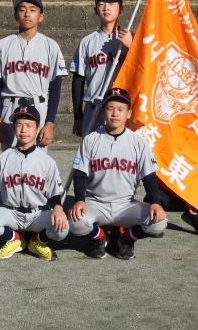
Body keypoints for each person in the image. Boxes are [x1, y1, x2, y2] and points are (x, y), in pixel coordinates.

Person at [68, 87, 167, 260]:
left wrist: (155, 202)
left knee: (159, 223)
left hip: (126, 204)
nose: (115, 113)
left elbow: (149, 177)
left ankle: (126, 239)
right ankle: (99, 237)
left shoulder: (138, 142)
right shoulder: (91, 139)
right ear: (103, 112)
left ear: (128, 114)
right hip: (96, 202)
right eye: (110, 108)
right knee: (74, 222)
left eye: (121, 109)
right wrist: (79, 200)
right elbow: (80, 174)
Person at [0, 105, 68, 261]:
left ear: (37, 129)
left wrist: (58, 208)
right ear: (13, 128)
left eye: (29, 125)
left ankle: (37, 240)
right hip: (11, 212)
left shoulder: (47, 161)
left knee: (63, 228)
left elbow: (54, 193)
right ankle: (14, 238)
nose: (23, 130)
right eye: (19, 125)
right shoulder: (2, 159)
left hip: (37, 214)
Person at [0, 0, 67, 151]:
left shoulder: (51, 46)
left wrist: (50, 123)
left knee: (37, 161)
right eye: (22, 9)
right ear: (15, 15)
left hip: (38, 105)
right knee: (9, 159)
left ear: (41, 16)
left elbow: (55, 87)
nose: (27, 14)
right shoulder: (2, 45)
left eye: (32, 10)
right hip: (10, 106)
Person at [70, 0, 133, 137]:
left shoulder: (131, 38)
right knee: (92, 151)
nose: (106, 8)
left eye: (111, 3)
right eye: (101, 4)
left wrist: (132, 47)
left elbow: (144, 69)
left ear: (121, 9)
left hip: (121, 108)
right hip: (94, 107)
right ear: (95, 10)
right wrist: (78, 116)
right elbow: (78, 79)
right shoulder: (87, 42)